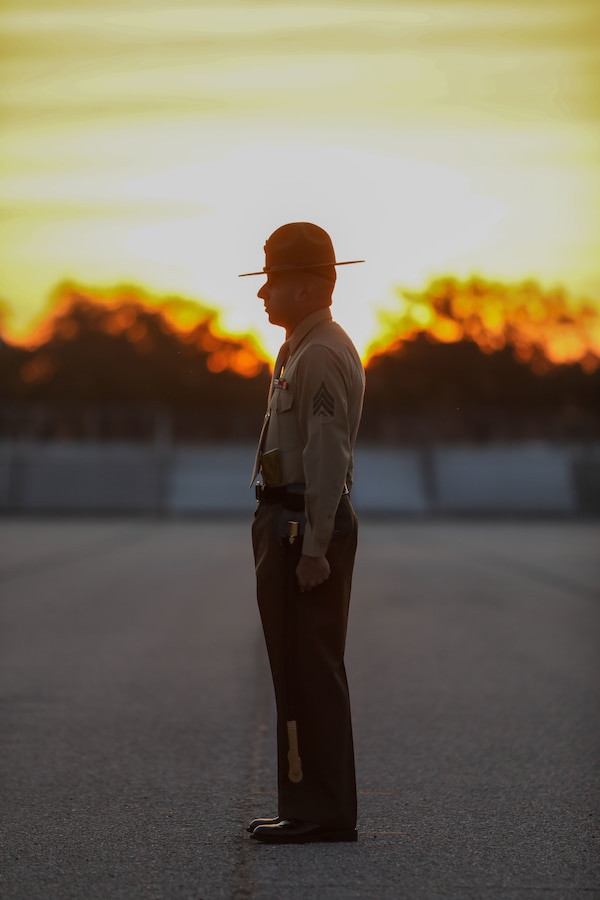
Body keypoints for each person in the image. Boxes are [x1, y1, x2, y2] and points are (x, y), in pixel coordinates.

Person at [240, 222, 365, 844]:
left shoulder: (318, 352)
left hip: (302, 526)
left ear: (311, 286)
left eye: (274, 281)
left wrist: (314, 546)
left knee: (310, 667)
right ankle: (307, 804)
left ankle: (322, 811)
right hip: (286, 520)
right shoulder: (298, 347)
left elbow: (326, 452)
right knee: (295, 666)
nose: (262, 294)